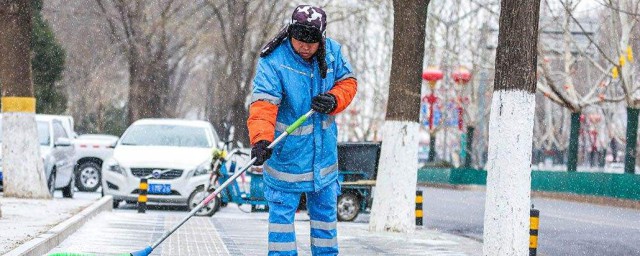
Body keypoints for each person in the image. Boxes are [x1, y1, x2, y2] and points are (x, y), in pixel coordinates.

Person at [247, 5, 357, 256]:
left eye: (311, 43)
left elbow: (349, 82)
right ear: (290, 33)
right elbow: (263, 105)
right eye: (299, 41)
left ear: (322, 38)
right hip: (287, 158)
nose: (305, 47)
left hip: (324, 161)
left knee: (325, 222)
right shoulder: (274, 61)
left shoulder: (333, 54)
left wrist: (334, 98)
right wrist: (262, 140)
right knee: (281, 224)